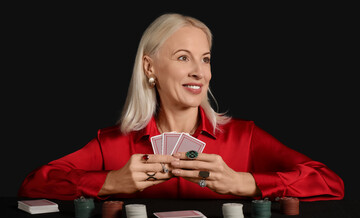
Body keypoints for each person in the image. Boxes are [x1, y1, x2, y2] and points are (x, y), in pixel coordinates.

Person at [19, 13, 344, 201]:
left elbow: (330, 181)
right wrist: (110, 183)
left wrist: (246, 182)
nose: (199, 72)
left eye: (205, 59)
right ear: (150, 68)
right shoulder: (112, 142)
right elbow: (34, 183)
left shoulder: (244, 137)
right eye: (182, 57)